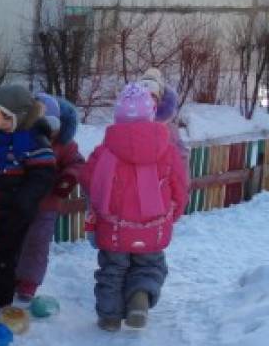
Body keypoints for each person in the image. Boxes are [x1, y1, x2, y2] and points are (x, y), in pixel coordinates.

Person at [81, 82, 189, 331]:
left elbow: (88, 178)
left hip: (114, 228)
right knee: (150, 265)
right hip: (154, 226)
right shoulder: (167, 150)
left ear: (118, 117)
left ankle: (109, 317)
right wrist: (175, 212)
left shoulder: (105, 149)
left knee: (112, 270)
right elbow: (179, 185)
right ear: (151, 115)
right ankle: (140, 295)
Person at [0, 84, 57, 311]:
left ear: (20, 117)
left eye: (5, 117)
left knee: (5, 255)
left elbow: (43, 175)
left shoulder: (34, 140)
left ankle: (0, 299)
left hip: (16, 210)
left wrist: (24, 201)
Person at [15, 94, 85, 302]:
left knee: (38, 243)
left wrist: (68, 178)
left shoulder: (65, 145)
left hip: (47, 203)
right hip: (19, 200)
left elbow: (77, 163)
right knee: (16, 239)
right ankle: (11, 274)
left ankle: (29, 281)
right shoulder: (25, 139)